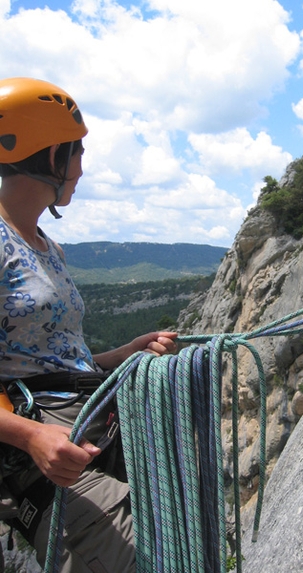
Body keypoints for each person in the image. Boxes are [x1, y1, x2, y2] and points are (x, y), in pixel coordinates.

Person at [0, 77, 177, 572]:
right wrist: (29, 438)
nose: (81, 167)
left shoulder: (46, 246)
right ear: (47, 154)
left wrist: (119, 355)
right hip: (43, 443)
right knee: (148, 555)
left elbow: (45, 357)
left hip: (87, 421)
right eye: (75, 152)